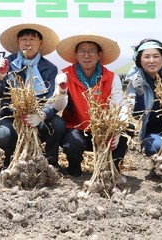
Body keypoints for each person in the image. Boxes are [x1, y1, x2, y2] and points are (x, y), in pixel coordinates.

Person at [0, 23, 64, 169]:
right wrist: (0, 76)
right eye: (24, 39)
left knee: (58, 124)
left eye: (32, 39)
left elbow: (51, 99)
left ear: (40, 43)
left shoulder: (50, 68)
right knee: (3, 135)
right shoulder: (6, 63)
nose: (28, 43)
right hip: (12, 117)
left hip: (39, 117)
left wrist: (41, 115)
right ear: (18, 42)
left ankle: (50, 161)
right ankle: (11, 158)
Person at [52, 32, 128, 176]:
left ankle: (111, 169)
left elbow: (119, 105)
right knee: (72, 144)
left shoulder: (111, 78)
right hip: (76, 127)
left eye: (91, 51)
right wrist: (61, 91)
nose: (86, 56)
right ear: (76, 55)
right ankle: (74, 166)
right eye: (82, 51)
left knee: (125, 134)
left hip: (103, 128)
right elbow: (58, 107)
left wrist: (116, 130)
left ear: (99, 55)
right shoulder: (65, 76)